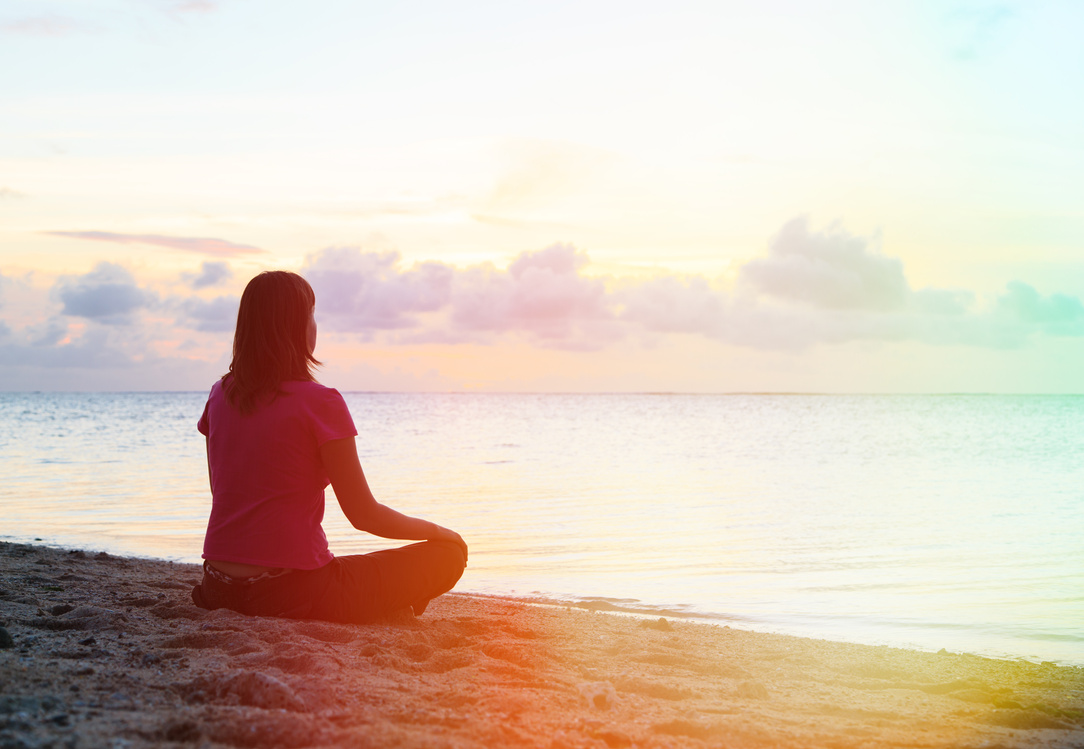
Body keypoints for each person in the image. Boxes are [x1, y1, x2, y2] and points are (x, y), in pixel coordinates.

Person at [190, 270, 466, 622]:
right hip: (292, 592)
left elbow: (223, 493)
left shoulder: (219, 395)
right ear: (295, 327)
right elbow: (364, 515)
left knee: (361, 570)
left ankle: (388, 602)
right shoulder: (321, 403)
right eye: (311, 314)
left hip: (218, 588)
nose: (314, 325)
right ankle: (393, 602)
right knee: (448, 557)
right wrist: (442, 533)